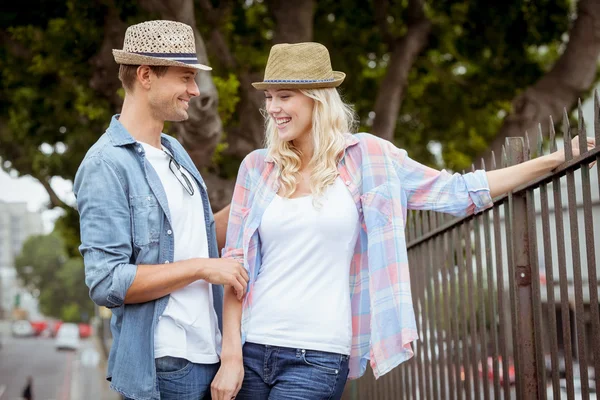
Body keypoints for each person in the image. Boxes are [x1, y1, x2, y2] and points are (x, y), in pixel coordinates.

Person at [210, 42, 596, 400]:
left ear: (316, 99)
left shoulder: (369, 158)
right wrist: (231, 357)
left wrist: (552, 160)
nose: (273, 108)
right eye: (269, 98)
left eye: (285, 96)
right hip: (251, 346)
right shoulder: (257, 168)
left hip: (319, 353)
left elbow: (459, 192)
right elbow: (235, 266)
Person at [74, 20, 248, 400]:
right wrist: (202, 267)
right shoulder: (105, 165)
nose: (194, 90)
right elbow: (106, 282)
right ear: (146, 74)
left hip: (210, 354)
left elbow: (198, 235)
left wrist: (258, 201)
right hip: (167, 364)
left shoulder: (174, 151)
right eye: (185, 77)